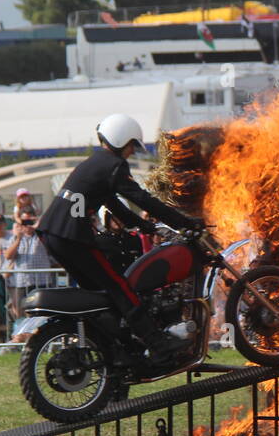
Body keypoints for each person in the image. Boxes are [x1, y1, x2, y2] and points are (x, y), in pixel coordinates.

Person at [36, 114, 198, 355]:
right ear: (123, 139)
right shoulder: (113, 166)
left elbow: (113, 203)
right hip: (73, 236)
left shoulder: (96, 163)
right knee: (119, 286)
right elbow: (142, 199)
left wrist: (145, 227)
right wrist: (184, 222)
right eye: (132, 145)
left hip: (53, 234)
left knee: (99, 296)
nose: (132, 152)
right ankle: (155, 341)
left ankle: (114, 347)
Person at [6, 216, 54, 322]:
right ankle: (21, 334)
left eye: (30, 222)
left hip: (42, 282)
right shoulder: (14, 238)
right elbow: (8, 256)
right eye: (24, 223)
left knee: (43, 311)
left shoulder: (41, 236)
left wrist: (37, 224)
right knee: (21, 312)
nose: (27, 225)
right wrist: (18, 238)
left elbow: (48, 228)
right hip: (22, 282)